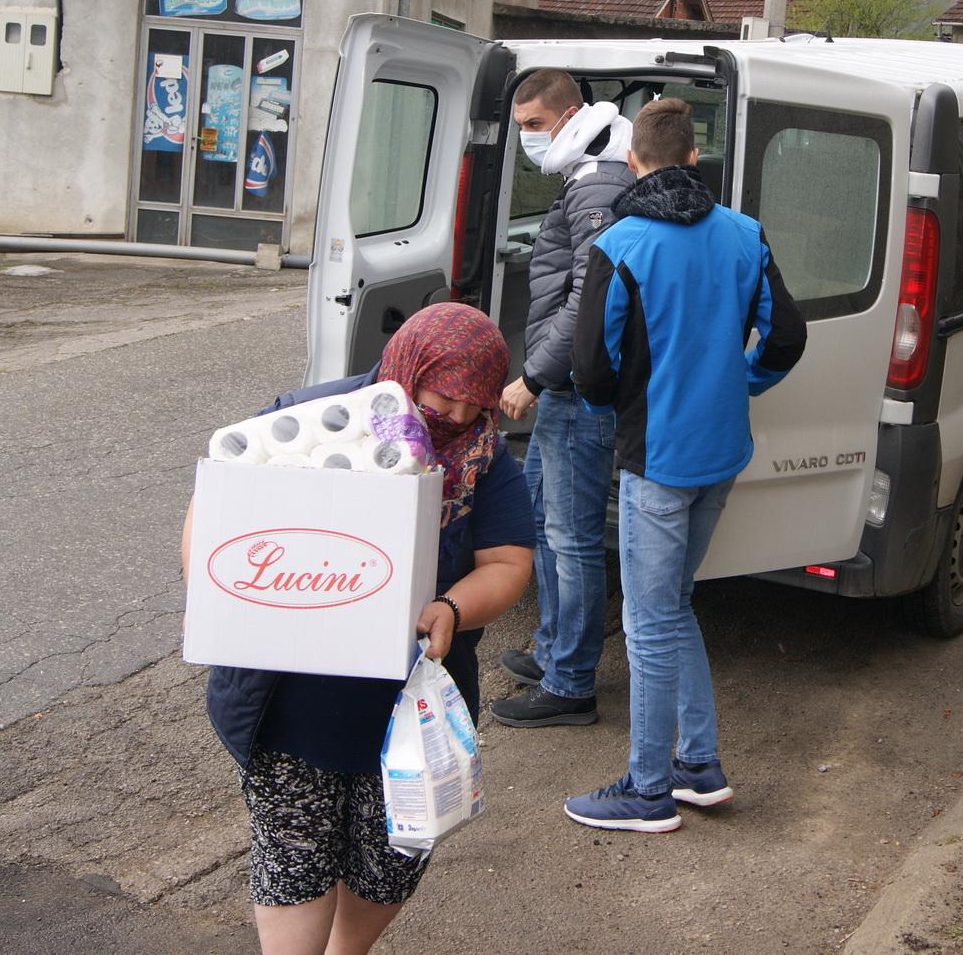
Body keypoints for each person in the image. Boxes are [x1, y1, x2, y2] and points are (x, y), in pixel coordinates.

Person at [186, 303, 534, 954]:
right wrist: (225, 596)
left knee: (393, 857)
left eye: (477, 402)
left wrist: (452, 609)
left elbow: (509, 562)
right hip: (290, 701)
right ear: (410, 365)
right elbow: (218, 515)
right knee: (296, 856)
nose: (459, 416)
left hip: (407, 710)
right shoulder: (314, 421)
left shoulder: (486, 456)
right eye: (446, 396)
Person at [563, 96, 807, 833]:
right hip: (722, 453)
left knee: (646, 619)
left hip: (658, 460)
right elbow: (786, 338)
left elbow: (590, 370)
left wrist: (616, 417)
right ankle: (696, 765)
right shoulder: (744, 233)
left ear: (632, 162)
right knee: (671, 606)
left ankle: (646, 790)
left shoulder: (622, 244)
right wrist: (742, 381)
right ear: (696, 157)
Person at [491, 69, 633, 729]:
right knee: (547, 517)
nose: (525, 139)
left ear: (570, 114)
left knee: (571, 538)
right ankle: (553, 652)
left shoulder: (600, 179)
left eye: (533, 126)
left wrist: (534, 376)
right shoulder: (585, 172)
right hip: (566, 384)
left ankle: (571, 682)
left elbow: (590, 300)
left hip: (575, 387)